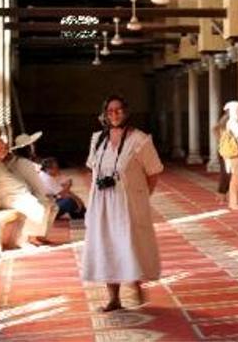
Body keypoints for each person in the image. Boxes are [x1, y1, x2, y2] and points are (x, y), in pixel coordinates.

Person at [82, 94, 164, 312]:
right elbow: (93, 170)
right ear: (105, 114)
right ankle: (113, 298)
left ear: (126, 112)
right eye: (110, 111)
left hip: (127, 203)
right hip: (102, 203)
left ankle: (135, 282)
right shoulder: (97, 139)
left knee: (129, 244)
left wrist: (143, 196)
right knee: (106, 245)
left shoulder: (140, 139)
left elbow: (154, 172)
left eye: (118, 110)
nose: (114, 114)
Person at [0, 137, 58, 247]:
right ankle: (22, 240)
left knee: (50, 204)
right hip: (10, 197)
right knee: (38, 207)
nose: (3, 150)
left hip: (18, 195)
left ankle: (37, 236)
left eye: (4, 147)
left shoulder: (2, 162)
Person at [213, 111, 230, 201]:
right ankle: (221, 194)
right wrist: (221, 140)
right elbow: (215, 129)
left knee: (227, 173)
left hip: (224, 150)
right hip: (225, 151)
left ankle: (222, 194)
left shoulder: (224, 122)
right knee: (225, 173)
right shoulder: (225, 122)